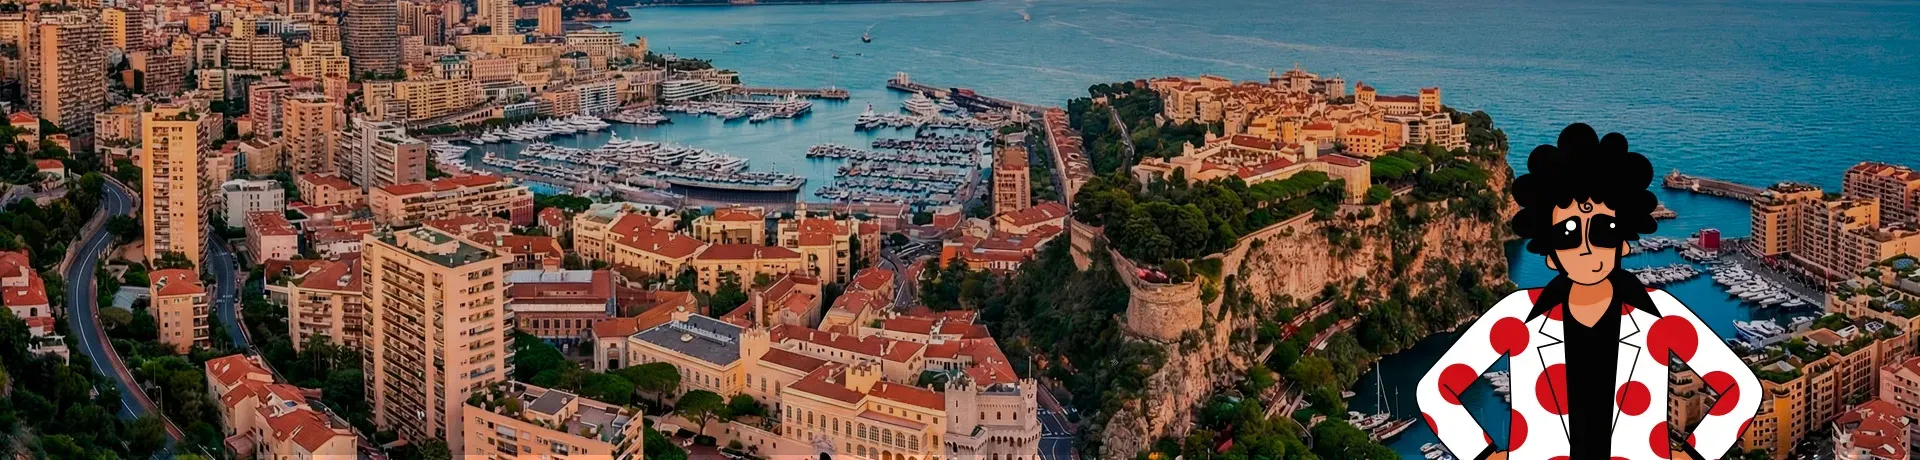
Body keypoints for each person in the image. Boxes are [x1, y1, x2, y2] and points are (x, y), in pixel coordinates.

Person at [1415, 124, 1760, 460]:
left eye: (1604, 230)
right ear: (1550, 254)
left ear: (1622, 243)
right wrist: (1485, 455)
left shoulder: (1660, 314)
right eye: (1568, 234)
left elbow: (1741, 389)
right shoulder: (1517, 315)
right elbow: (1436, 391)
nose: (1586, 247)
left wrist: (1694, 454)